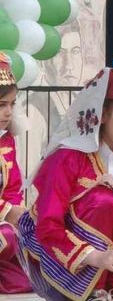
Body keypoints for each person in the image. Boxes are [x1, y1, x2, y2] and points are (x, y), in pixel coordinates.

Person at [18, 54, 113, 301]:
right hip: (60, 250)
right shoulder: (68, 157)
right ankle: (93, 292)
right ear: (102, 113)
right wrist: (96, 257)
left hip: (110, 253)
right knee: (104, 199)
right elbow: (48, 224)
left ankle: (108, 278)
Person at [0, 53, 32, 294]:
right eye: (1, 105)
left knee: (23, 283)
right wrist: (7, 212)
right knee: (7, 235)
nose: (9, 112)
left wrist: (18, 214)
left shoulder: (6, 140)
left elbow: (13, 187)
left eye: (12, 104)